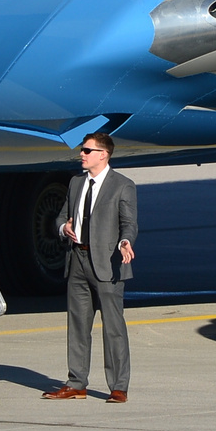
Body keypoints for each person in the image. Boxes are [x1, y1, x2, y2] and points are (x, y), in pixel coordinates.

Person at [44, 132, 137, 402]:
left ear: (103, 154)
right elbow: (62, 216)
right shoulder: (75, 183)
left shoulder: (123, 185)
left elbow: (129, 223)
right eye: (82, 150)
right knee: (77, 325)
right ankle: (76, 382)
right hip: (78, 260)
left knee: (113, 327)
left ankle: (118, 386)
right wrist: (64, 227)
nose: (81, 155)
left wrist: (124, 241)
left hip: (107, 263)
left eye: (87, 151)